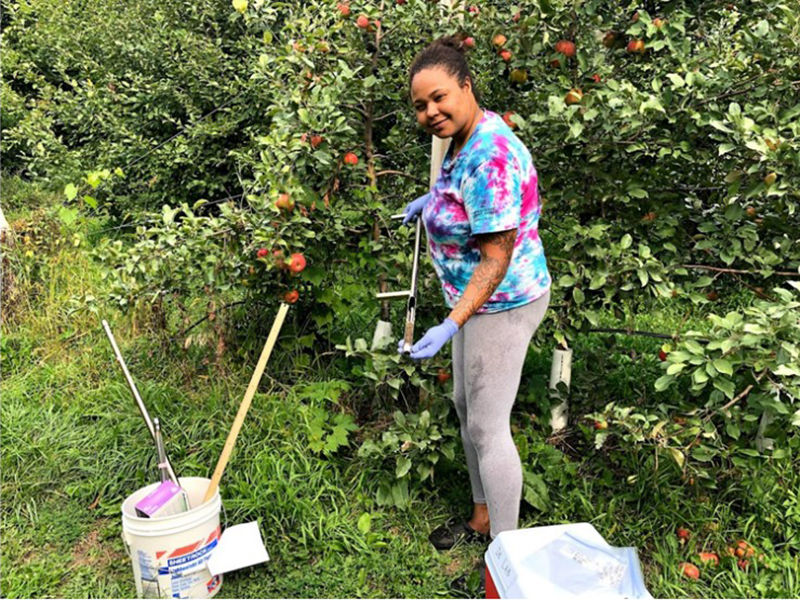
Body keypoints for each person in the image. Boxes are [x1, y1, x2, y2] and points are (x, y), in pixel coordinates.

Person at [401, 35, 552, 588]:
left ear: (467, 85)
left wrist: (449, 323)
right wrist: (433, 201)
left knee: (489, 428)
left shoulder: (490, 154)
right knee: (467, 408)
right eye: (419, 105)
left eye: (439, 98)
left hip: (502, 301)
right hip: (473, 302)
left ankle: (507, 572)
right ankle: (482, 516)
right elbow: (459, 191)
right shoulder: (461, 137)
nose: (430, 112)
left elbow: (495, 260)